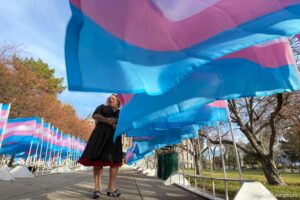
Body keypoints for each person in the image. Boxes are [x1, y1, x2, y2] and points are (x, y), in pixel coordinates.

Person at [78, 94, 123, 199]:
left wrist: (117, 124)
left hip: (114, 137)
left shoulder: (121, 113)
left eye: (113, 99)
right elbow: (95, 116)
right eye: (109, 98)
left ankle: (111, 188)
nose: (110, 99)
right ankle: (97, 188)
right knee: (97, 160)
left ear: (118, 103)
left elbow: (125, 123)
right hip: (100, 135)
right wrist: (107, 121)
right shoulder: (102, 107)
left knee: (115, 162)